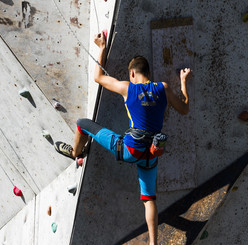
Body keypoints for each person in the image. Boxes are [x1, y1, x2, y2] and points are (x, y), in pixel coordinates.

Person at [54, 32, 191, 245]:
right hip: (151, 156)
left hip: (129, 151)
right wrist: (183, 82)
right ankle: (154, 244)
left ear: (132, 74)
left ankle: (75, 152)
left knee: (82, 124)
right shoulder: (162, 88)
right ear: (148, 73)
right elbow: (184, 108)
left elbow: (98, 78)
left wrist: (102, 48)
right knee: (149, 200)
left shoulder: (128, 88)